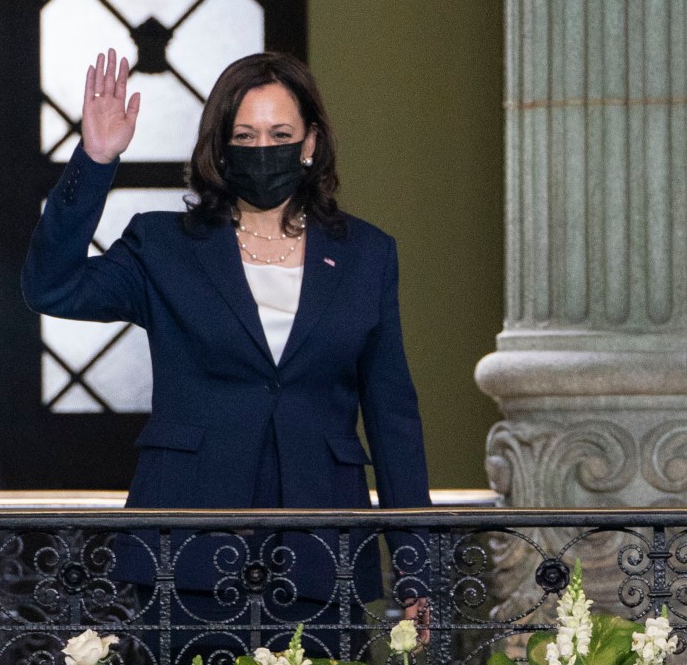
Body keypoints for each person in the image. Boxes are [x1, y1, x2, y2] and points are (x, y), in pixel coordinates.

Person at [24, 49, 430, 630]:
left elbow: (392, 414)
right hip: (188, 548)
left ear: (310, 143)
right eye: (245, 134)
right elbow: (51, 288)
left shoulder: (367, 254)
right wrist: (94, 161)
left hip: (323, 551)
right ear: (221, 147)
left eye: (280, 133)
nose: (264, 149)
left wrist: (416, 569)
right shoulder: (164, 247)